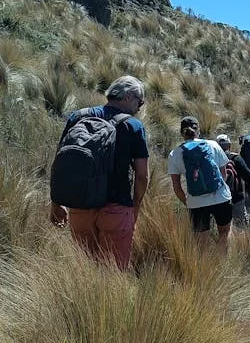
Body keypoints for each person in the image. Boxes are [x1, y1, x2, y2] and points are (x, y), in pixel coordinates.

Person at [49, 75, 149, 270]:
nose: (140, 107)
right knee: (112, 274)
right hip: (116, 209)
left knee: (86, 271)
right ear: (128, 97)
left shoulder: (78, 117)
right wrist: (134, 207)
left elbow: (60, 162)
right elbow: (142, 175)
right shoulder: (134, 126)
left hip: (80, 207)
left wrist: (56, 203)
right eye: (140, 101)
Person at [168, 117, 233, 253]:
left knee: (201, 243)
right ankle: (223, 266)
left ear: (181, 133)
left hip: (196, 202)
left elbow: (177, 187)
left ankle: (205, 269)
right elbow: (224, 174)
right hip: (220, 197)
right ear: (198, 131)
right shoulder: (213, 145)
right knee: (224, 234)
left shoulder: (175, 154)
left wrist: (187, 202)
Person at [216, 134, 250, 226]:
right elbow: (248, 175)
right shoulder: (236, 158)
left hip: (219, 197)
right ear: (229, 145)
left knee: (222, 225)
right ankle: (242, 239)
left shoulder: (212, 159)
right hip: (237, 195)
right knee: (241, 223)